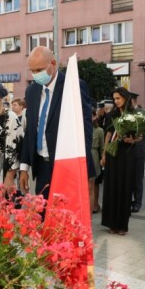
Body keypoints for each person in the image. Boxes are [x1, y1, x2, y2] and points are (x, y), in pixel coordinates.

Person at [19, 46, 94, 198]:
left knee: (64, 217)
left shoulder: (73, 86)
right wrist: (24, 167)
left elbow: (85, 130)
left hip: (66, 165)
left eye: (39, 69)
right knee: (42, 215)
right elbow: (31, 130)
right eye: (32, 71)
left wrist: (79, 167)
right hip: (41, 166)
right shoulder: (32, 91)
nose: (35, 75)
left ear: (52, 64)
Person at [101, 88, 141, 235]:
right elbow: (108, 134)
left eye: (118, 98)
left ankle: (122, 225)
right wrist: (104, 154)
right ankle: (111, 223)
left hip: (127, 153)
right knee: (111, 187)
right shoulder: (111, 114)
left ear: (125, 98)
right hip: (113, 153)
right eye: (114, 98)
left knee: (124, 188)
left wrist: (133, 140)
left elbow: (141, 136)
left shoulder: (134, 115)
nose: (116, 101)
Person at [129, 93, 145, 213]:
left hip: (138, 149)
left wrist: (140, 143)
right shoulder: (125, 113)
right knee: (128, 178)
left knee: (137, 178)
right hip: (126, 150)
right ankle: (128, 200)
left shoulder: (143, 113)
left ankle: (137, 202)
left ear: (132, 101)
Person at [90, 110, 104, 214]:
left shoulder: (99, 130)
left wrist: (102, 158)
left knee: (94, 182)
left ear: (95, 116)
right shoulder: (82, 128)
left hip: (94, 155)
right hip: (84, 155)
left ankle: (95, 205)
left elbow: (102, 147)